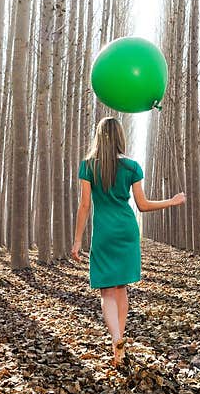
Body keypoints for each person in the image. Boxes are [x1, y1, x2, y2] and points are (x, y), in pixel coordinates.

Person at [71, 117, 186, 368]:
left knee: (106, 290)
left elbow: (84, 205)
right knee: (122, 288)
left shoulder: (88, 166)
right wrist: (172, 201)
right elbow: (143, 206)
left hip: (104, 232)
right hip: (127, 229)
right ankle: (120, 343)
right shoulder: (132, 166)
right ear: (121, 137)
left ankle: (116, 338)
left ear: (98, 137)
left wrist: (78, 240)